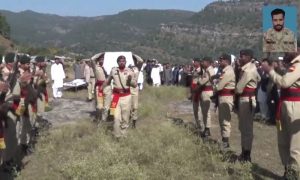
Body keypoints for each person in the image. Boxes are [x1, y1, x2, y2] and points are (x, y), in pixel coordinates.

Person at [262, 48, 300, 179]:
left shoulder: (298, 65)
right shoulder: (292, 65)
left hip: (294, 105)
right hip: (284, 104)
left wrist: (270, 71)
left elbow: (284, 82)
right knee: (282, 140)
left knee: (294, 144)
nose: (285, 52)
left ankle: (293, 173)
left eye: (288, 49)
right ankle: (287, 169)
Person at [100, 55, 136, 138]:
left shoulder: (130, 71)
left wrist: (130, 80)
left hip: (126, 97)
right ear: (118, 62)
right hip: (115, 96)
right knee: (116, 117)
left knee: (125, 118)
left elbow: (134, 85)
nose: (122, 62)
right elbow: (107, 80)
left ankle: (124, 135)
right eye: (120, 61)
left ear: (126, 62)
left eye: (123, 61)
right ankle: (117, 136)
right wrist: (102, 88)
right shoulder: (113, 70)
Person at [235, 49, 260, 162]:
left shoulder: (248, 70)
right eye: (240, 55)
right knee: (243, 127)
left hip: (246, 100)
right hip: (245, 99)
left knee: (247, 129)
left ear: (249, 57)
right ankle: (244, 152)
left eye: (243, 56)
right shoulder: (247, 68)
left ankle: (246, 155)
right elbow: (258, 79)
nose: (240, 58)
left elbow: (239, 88)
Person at [215, 53, 235, 149]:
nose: (219, 61)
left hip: (226, 97)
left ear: (226, 61)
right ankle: (224, 139)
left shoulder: (228, 71)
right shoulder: (225, 70)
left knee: (225, 120)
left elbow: (219, 86)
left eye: (221, 60)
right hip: (223, 96)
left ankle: (226, 142)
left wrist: (214, 85)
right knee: (222, 119)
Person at [198, 56, 215, 137]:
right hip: (205, 91)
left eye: (204, 61)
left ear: (208, 62)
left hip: (207, 91)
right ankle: (206, 128)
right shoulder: (207, 70)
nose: (202, 63)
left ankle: (207, 129)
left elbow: (202, 81)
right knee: (204, 111)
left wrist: (199, 79)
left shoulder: (209, 70)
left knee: (206, 111)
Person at [92, 54, 111, 123]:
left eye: (103, 59)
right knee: (99, 106)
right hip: (99, 88)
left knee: (106, 107)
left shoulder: (109, 66)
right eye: (101, 59)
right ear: (98, 60)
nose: (102, 60)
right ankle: (98, 118)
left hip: (108, 87)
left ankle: (103, 120)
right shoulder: (96, 67)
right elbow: (92, 59)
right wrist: (102, 53)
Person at [190, 58, 203, 133]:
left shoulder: (201, 70)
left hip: (198, 90)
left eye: (194, 62)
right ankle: (197, 124)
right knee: (195, 109)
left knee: (198, 109)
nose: (193, 63)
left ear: (198, 62)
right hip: (194, 91)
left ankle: (200, 125)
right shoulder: (194, 70)